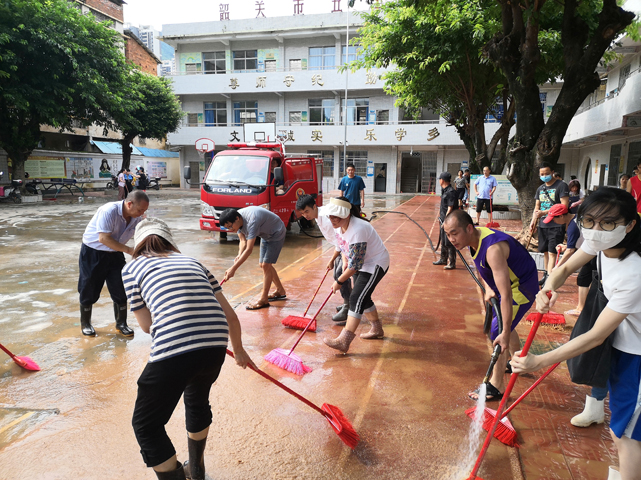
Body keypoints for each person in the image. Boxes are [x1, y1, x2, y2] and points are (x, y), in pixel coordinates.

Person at [512, 187, 641, 480]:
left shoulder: (634, 271)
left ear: (629, 224)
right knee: (622, 429)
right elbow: (566, 266)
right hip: (625, 350)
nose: (597, 231)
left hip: (638, 360)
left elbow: (596, 335)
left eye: (608, 223)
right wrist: (548, 287)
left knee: (628, 436)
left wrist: (539, 361)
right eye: (590, 221)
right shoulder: (602, 244)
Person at [122, 218, 254, 480]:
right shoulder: (194, 262)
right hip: (215, 347)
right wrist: (238, 350)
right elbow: (230, 315)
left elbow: (147, 326)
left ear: (138, 245)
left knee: (146, 425)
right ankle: (196, 470)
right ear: (169, 241)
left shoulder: (132, 269)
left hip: (175, 349)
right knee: (196, 400)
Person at [443, 210, 538, 401]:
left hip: (521, 287)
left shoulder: (492, 249)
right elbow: (484, 269)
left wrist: (502, 331)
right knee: (504, 326)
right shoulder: (473, 239)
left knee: (498, 330)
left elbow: (506, 294)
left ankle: (496, 385)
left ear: (469, 228)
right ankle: (515, 359)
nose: (451, 239)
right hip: (507, 285)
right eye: (447, 234)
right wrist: (488, 287)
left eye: (454, 233)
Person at [78, 190, 149, 337]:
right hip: (93, 252)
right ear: (129, 204)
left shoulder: (136, 218)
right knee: (89, 288)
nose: (142, 213)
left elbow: (143, 235)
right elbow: (103, 238)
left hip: (115, 252)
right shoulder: (109, 211)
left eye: (144, 210)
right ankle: (85, 323)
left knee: (121, 288)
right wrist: (130, 250)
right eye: (140, 209)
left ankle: (121, 324)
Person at [323, 197, 390, 354]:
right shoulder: (339, 225)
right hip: (360, 262)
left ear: (346, 215)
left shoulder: (358, 228)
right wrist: (344, 258)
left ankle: (344, 341)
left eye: (334, 216)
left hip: (375, 263)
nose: (331, 220)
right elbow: (342, 245)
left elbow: (355, 266)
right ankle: (377, 329)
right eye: (329, 216)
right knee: (363, 297)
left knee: (355, 298)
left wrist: (339, 281)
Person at [296, 194, 353, 324]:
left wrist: (332, 259)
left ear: (314, 206)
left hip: (348, 245)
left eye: (307, 211)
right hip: (342, 247)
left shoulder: (327, 218)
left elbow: (340, 240)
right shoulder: (318, 216)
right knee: (338, 274)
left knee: (340, 274)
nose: (305, 215)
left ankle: (349, 305)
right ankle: (348, 302)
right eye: (302, 213)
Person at [220, 206, 287, 310]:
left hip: (276, 232)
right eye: (227, 228)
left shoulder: (252, 221)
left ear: (237, 219)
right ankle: (280, 291)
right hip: (265, 234)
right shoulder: (236, 219)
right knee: (263, 265)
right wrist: (239, 254)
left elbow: (249, 249)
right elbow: (243, 241)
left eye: (230, 226)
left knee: (266, 265)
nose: (230, 229)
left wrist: (233, 269)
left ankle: (264, 299)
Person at [530, 162, 569, 286]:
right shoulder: (540, 189)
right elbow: (537, 207)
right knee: (545, 252)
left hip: (556, 224)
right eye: (542, 174)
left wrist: (545, 212)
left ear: (552, 172)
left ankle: (550, 280)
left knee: (552, 252)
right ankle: (546, 274)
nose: (544, 175)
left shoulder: (561, 186)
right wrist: (533, 222)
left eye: (547, 173)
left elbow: (564, 206)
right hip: (543, 224)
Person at [433, 172, 458, 270]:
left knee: (449, 241)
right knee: (444, 240)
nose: (439, 181)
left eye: (439, 179)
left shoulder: (450, 192)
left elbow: (450, 208)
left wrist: (446, 221)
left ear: (442, 180)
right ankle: (443, 259)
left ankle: (452, 263)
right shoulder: (445, 190)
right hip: (443, 220)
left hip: (449, 221)